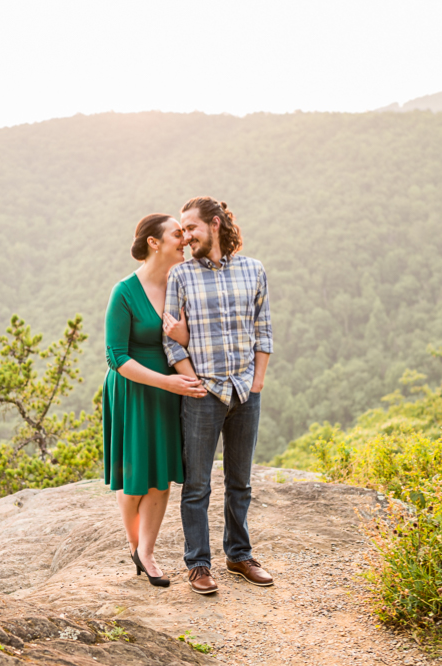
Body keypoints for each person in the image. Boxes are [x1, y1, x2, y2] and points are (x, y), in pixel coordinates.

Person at [162, 197, 274, 594]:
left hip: (245, 391)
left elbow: (263, 329)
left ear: (214, 224)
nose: (186, 236)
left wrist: (257, 380)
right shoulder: (181, 276)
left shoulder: (254, 270)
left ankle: (239, 555)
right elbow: (171, 340)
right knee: (197, 485)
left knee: (240, 481)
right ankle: (198, 564)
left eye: (190, 228)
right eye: (181, 230)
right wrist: (191, 381)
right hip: (202, 392)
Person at [103, 213, 207, 587]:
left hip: (170, 389)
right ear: (154, 242)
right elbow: (115, 356)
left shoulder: (184, 283)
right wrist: (167, 383)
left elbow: (202, 336)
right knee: (134, 479)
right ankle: (135, 545)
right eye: (177, 234)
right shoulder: (124, 292)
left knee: (160, 476)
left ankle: (146, 552)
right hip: (134, 390)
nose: (185, 240)